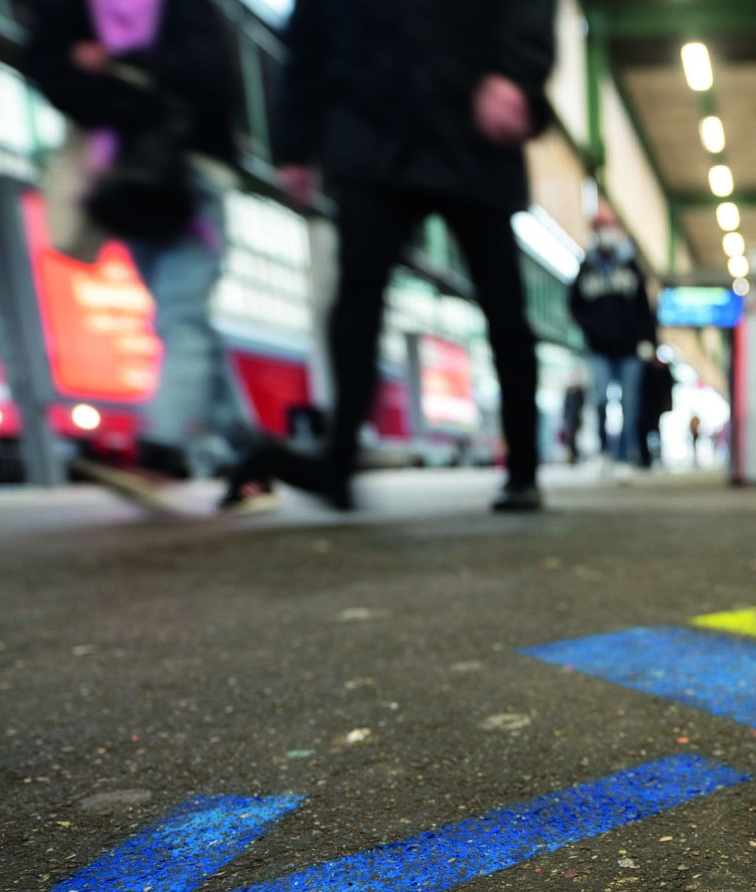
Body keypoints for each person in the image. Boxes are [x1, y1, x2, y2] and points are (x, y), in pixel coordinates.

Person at [231, 0, 556, 513]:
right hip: (373, 126)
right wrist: (292, 145)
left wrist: (516, 75)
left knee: (504, 308)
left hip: (470, 125)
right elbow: (309, 30)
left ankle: (523, 468)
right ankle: (338, 463)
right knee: (357, 297)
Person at [23, 0, 278, 516]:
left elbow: (214, 81)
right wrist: (125, 78)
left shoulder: (187, 13)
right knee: (185, 321)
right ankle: (251, 458)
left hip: (189, 179)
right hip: (128, 185)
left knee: (179, 316)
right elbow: (48, 67)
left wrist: (117, 66)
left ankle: (164, 449)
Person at [568, 206, 657, 469]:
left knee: (630, 404)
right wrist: (591, 329)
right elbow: (575, 305)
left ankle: (624, 457)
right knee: (600, 400)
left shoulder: (631, 267)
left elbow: (645, 309)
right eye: (599, 226)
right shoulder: (585, 268)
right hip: (598, 348)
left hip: (630, 348)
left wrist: (648, 342)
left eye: (608, 225)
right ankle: (605, 452)